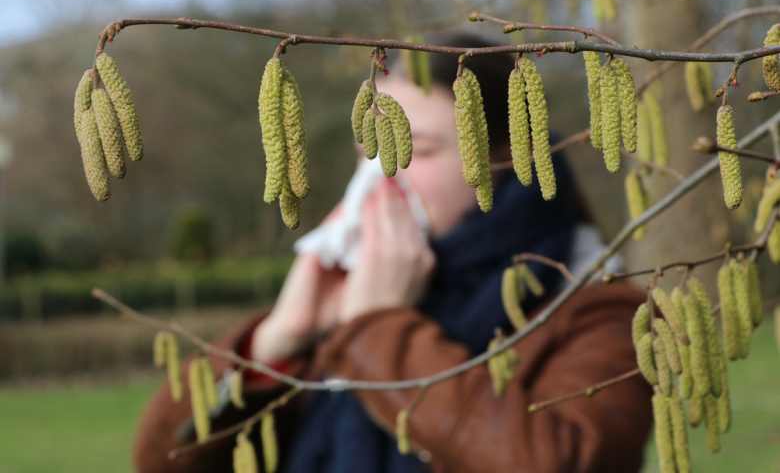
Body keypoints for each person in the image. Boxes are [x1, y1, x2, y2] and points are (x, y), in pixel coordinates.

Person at [134, 34, 653, 473]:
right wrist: (272, 346)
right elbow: (163, 462)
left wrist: (379, 331)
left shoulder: (595, 312)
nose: (381, 176)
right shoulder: (343, 302)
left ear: (506, 157)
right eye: (367, 153)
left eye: (417, 149)